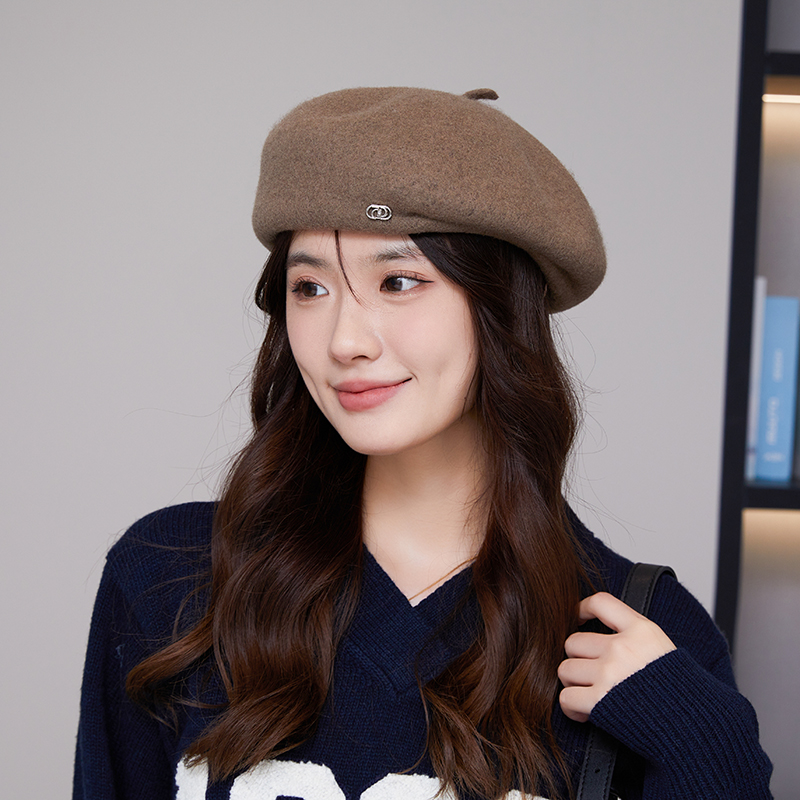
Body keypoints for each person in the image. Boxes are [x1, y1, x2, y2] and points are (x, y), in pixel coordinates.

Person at [73, 87, 773, 800]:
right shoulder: (171, 579)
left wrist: (702, 739)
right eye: (309, 287)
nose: (344, 340)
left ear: (500, 309)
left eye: (399, 281)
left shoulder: (639, 639)